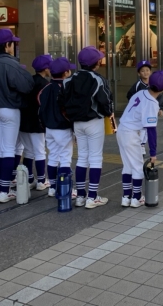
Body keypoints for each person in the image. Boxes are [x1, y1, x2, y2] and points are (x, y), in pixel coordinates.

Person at [0, 29, 34, 203]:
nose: (14, 46)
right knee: (9, 149)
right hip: (9, 109)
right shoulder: (11, 64)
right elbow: (27, 86)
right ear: (7, 45)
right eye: (13, 43)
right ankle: (4, 191)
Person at [63, 46, 113, 209]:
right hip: (94, 121)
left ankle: (80, 195)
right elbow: (105, 101)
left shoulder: (69, 79)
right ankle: (92, 197)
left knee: (82, 157)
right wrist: (108, 113)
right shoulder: (97, 79)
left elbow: (62, 101)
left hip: (76, 123)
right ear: (96, 63)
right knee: (96, 157)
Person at [117, 70, 163, 208]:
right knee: (137, 166)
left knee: (128, 166)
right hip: (131, 133)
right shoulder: (152, 103)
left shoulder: (140, 93)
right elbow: (151, 130)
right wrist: (153, 153)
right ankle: (136, 198)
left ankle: (126, 197)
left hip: (122, 130)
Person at [38, 57, 76, 199]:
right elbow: (69, 110)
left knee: (53, 157)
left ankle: (53, 188)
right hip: (63, 128)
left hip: (49, 128)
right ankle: (65, 189)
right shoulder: (66, 88)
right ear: (66, 73)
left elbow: (40, 108)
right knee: (65, 158)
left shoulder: (45, 88)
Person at [18, 54, 52, 190]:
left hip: (23, 120)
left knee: (28, 151)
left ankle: (30, 179)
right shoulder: (46, 85)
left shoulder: (28, 81)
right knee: (40, 151)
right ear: (45, 68)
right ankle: (41, 181)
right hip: (37, 122)